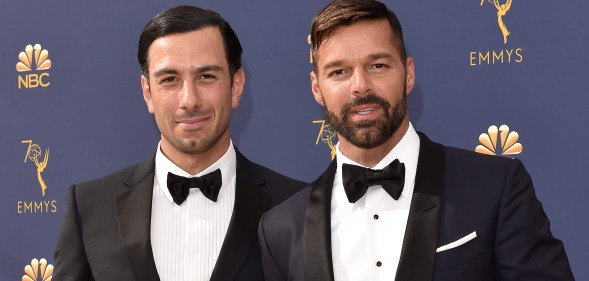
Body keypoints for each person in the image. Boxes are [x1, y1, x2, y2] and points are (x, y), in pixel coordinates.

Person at [257, 0, 574, 280]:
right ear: (316, 87)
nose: (360, 85)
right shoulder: (281, 229)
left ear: (408, 73)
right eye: (338, 72)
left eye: (377, 65)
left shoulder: (495, 188)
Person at [54, 5, 304, 281]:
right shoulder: (90, 208)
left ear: (236, 85)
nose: (189, 100)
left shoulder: (296, 205)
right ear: (147, 92)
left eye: (206, 76)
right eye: (170, 80)